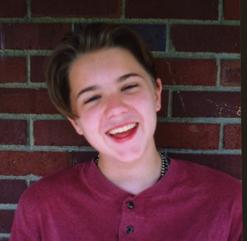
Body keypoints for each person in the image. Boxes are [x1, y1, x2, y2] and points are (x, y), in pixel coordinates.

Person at [10, 23, 242, 241]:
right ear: (76, 122)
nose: (116, 108)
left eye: (129, 86)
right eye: (92, 98)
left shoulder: (229, 201)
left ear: (156, 95)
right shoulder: (41, 208)